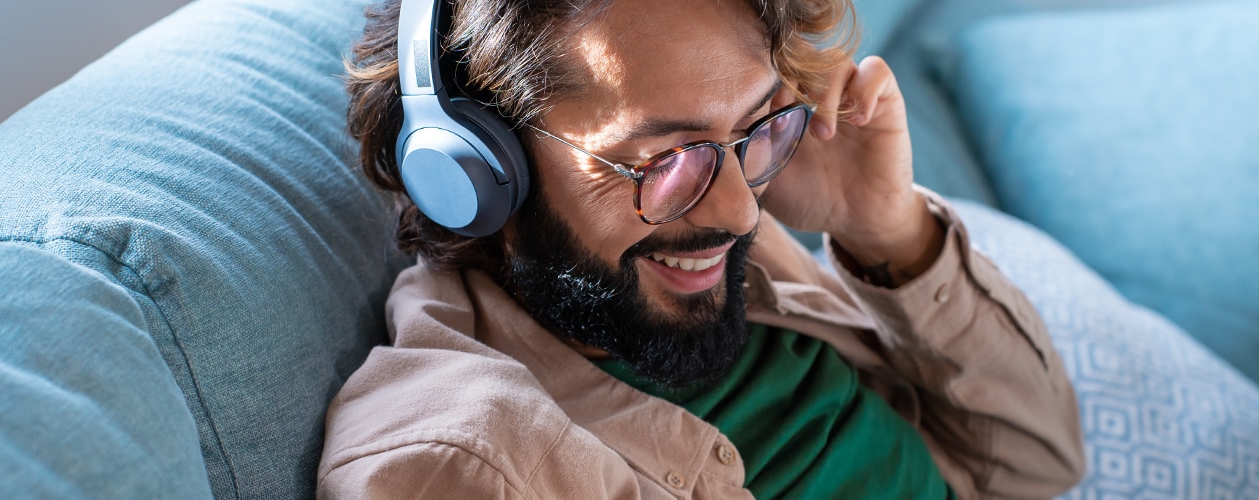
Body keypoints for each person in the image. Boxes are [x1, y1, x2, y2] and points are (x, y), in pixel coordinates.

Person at [318, 0, 1085, 497]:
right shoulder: (458, 466)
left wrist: (884, 233)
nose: (742, 213)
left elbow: (1038, 465)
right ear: (478, 170)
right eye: (663, 160)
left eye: (753, 127)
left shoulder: (725, 257)